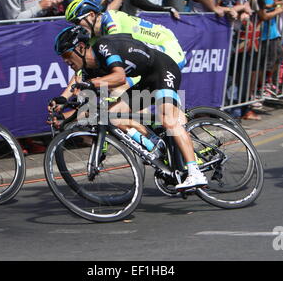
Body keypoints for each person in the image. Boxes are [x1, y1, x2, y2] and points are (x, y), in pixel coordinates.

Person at [53, 26, 209, 190]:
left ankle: (195, 172)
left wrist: (91, 84)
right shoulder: (88, 69)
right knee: (111, 115)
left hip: (163, 68)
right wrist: (64, 114)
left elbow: (119, 77)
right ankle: (156, 145)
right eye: (62, 57)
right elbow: (86, 103)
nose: (65, 60)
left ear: (81, 48)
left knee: (168, 120)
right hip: (147, 79)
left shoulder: (102, 46)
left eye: (67, 54)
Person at [48, 0, 186, 127]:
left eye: (77, 21)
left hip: (167, 50)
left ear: (91, 15)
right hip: (146, 58)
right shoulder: (94, 37)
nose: (76, 27)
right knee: (119, 94)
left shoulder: (111, 21)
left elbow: (117, 62)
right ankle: (152, 128)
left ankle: (175, 129)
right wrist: (63, 98)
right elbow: (82, 71)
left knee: (121, 88)